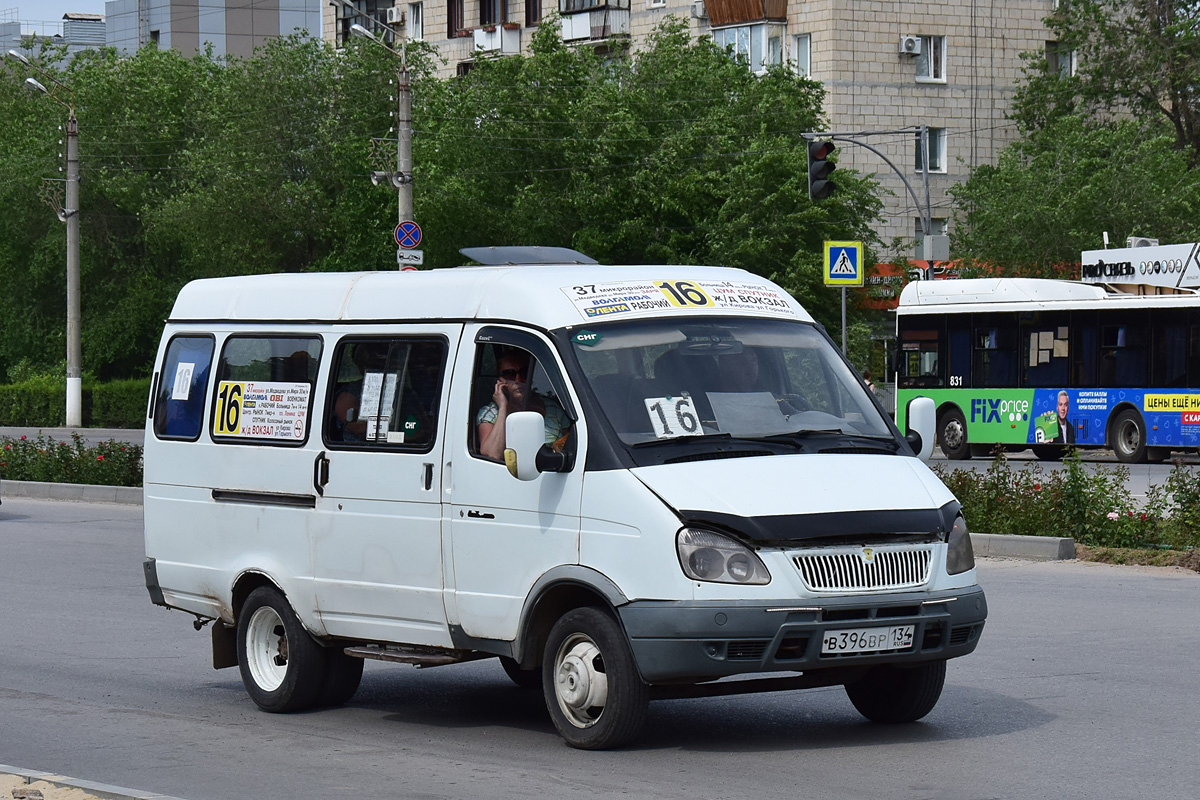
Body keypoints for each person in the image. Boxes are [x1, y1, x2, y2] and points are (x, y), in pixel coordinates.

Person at [476, 349, 570, 461]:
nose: (518, 379)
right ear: (500, 379)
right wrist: (503, 407)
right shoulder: (490, 414)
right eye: (509, 374)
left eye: (525, 373)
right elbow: (492, 454)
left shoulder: (553, 408)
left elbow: (569, 445)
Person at [332, 342, 389, 442]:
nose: (378, 364)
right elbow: (360, 428)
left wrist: (410, 432)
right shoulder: (349, 394)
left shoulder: (404, 392)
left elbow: (420, 424)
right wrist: (398, 433)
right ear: (359, 364)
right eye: (372, 360)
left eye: (382, 359)